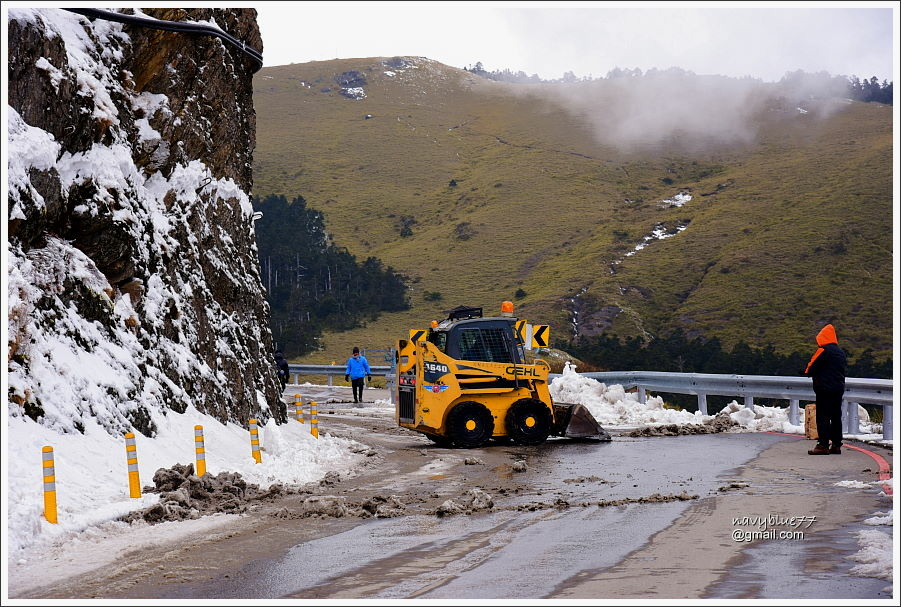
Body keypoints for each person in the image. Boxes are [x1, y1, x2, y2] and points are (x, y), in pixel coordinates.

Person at [803, 324, 847, 455]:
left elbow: (811, 368)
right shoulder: (840, 352)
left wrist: (806, 371)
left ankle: (823, 445)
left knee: (822, 416)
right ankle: (836, 445)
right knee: (836, 416)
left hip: (824, 388)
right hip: (838, 388)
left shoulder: (823, 350)